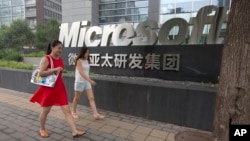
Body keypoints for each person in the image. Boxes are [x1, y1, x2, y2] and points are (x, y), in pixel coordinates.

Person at [30, 40, 85, 138]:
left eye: (62, 48)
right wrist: (55, 69)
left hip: (59, 88)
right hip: (49, 88)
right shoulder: (46, 58)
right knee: (46, 110)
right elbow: (41, 73)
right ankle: (42, 129)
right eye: (59, 48)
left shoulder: (60, 59)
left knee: (67, 110)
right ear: (52, 47)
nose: (61, 50)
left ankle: (74, 131)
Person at [72, 47, 104, 120]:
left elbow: (86, 72)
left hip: (86, 82)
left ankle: (96, 114)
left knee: (91, 98)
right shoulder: (78, 61)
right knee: (77, 98)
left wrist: (88, 81)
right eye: (87, 52)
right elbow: (81, 72)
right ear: (83, 53)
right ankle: (73, 112)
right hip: (79, 82)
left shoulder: (86, 61)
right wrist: (90, 80)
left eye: (88, 52)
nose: (88, 54)